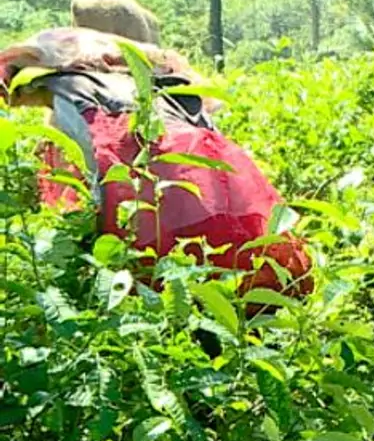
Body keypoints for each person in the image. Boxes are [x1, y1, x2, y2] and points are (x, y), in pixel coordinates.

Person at [0, 25, 312, 317]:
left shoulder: (71, 95)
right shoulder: (169, 85)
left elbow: (88, 180)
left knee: (161, 298)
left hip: (154, 213)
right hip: (209, 199)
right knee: (235, 290)